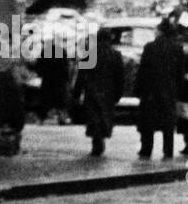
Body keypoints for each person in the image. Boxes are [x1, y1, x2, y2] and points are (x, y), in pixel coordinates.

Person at [73, 29, 124, 157]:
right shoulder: (115, 54)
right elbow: (120, 77)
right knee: (105, 116)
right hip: (108, 91)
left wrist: (77, 92)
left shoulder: (89, 54)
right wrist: (118, 93)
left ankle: (96, 141)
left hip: (92, 90)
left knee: (94, 116)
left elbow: (81, 75)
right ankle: (101, 137)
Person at [136, 19, 181, 160]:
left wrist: (138, 89)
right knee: (168, 123)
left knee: (147, 121)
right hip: (169, 90)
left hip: (151, 90)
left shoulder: (150, 47)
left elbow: (143, 70)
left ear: (160, 31)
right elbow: (180, 72)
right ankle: (168, 151)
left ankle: (146, 149)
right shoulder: (177, 48)